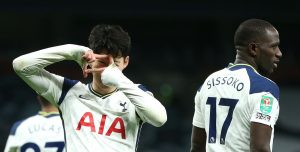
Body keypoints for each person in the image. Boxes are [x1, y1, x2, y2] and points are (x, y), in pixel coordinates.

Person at [12, 24, 167, 152]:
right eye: (102, 61)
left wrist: (119, 80)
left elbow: (159, 119)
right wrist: (71, 51)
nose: (107, 69)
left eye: (115, 63)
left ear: (126, 62)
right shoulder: (68, 92)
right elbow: (21, 66)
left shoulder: (136, 94)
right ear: (91, 58)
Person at [190, 19, 282, 152]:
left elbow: (197, 146)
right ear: (254, 49)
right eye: (274, 46)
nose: (279, 53)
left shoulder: (208, 83)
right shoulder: (264, 89)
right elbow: (260, 148)